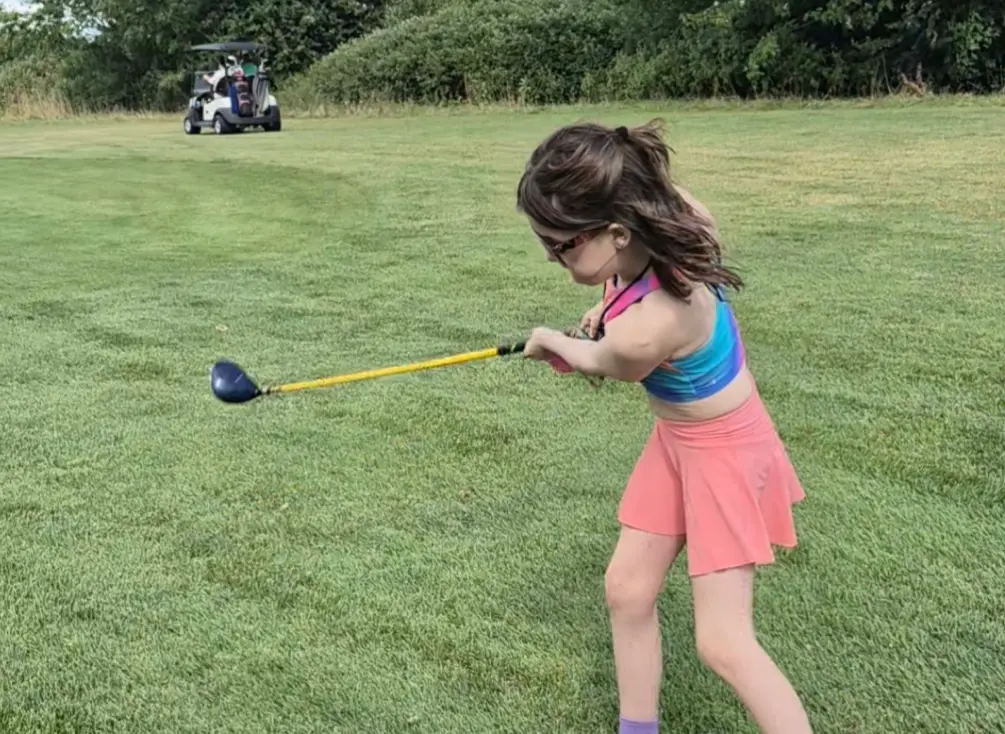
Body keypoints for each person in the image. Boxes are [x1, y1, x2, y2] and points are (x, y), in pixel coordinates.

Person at [516, 119, 813, 734]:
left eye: (561, 245)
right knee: (627, 589)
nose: (551, 255)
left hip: (726, 454)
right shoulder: (666, 222)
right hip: (676, 444)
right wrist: (602, 305)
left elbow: (606, 359)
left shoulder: (655, 326)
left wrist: (556, 344)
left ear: (617, 230)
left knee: (724, 643)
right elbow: (620, 304)